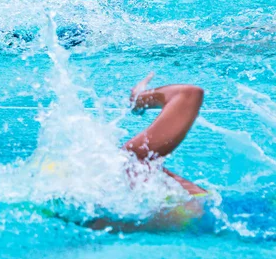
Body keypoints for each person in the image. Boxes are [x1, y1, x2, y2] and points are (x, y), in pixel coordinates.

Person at [88, 72, 208, 231]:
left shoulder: (92, 207)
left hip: (184, 219)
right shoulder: (130, 160)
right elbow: (188, 94)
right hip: (199, 210)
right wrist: (139, 98)